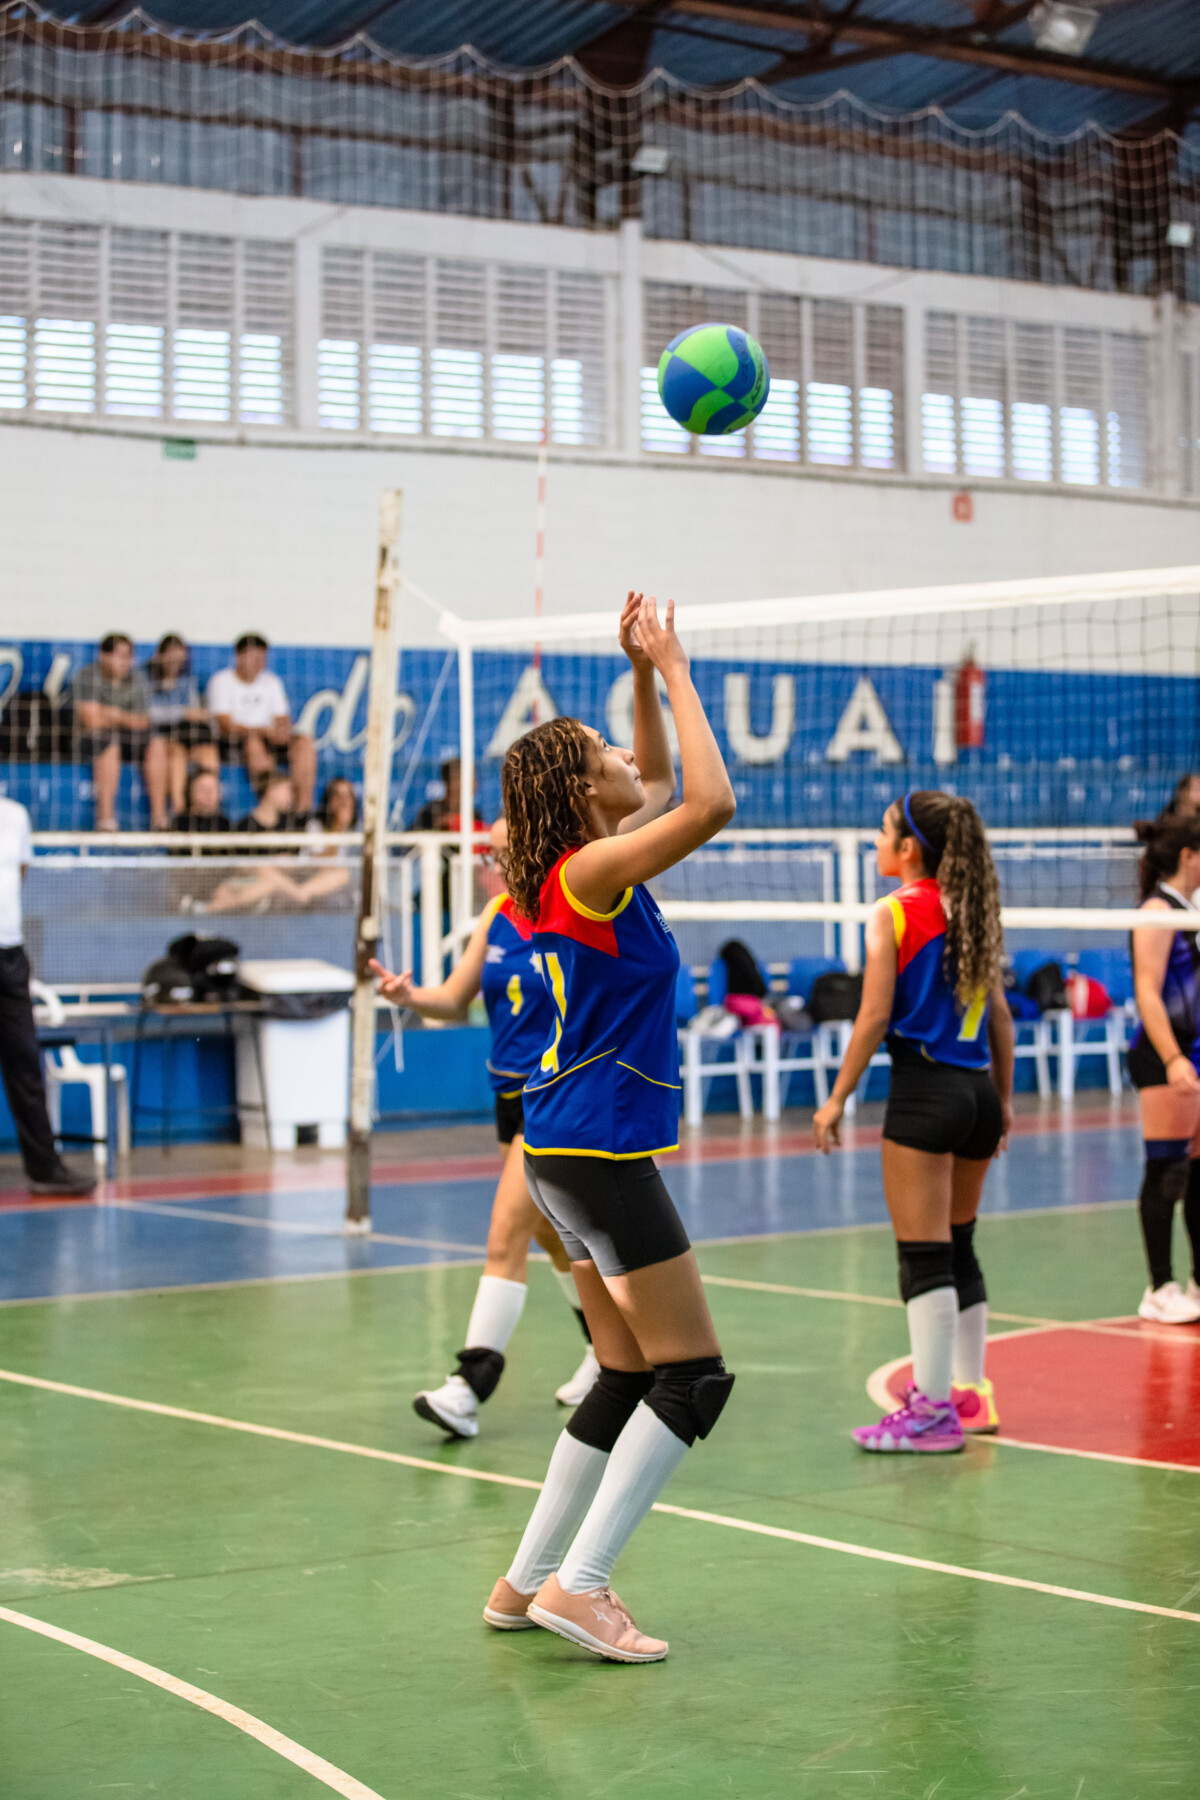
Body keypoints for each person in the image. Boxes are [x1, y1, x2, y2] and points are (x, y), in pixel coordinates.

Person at [478, 591, 734, 1665]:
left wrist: (634, 676)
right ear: (585, 790)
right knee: (693, 1376)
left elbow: (658, 783)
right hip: (601, 1151)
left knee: (624, 1372)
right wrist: (676, 666)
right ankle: (581, 1587)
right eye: (606, 753)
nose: (629, 758)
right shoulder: (591, 872)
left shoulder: (567, 871)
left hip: (557, 1151)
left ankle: (524, 1579)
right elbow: (709, 800)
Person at [371, 819, 601, 1439]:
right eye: (489, 856)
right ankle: (607, 1352)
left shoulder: (574, 907)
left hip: (552, 1097)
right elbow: (454, 999)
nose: (494, 867)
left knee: (505, 1233)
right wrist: (408, 997)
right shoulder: (498, 914)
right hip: (507, 1097)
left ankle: (469, 1386)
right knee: (551, 1234)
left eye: (504, 853)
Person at [814, 791, 1014, 1454]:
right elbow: (1001, 1018)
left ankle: (930, 1415)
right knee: (959, 1245)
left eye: (882, 832)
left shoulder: (894, 911)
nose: (876, 842)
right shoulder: (973, 909)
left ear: (908, 849)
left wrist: (836, 1098)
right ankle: (969, 1394)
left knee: (923, 1256)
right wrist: (1004, 1102)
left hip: (925, 1095)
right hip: (978, 1092)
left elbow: (874, 1015)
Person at [0, 796, 95, 1196]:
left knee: (25, 1062)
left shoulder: (15, 815)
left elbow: (17, 875)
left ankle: (45, 1169)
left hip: (9, 954)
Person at [1126, 815, 1200, 1324]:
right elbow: (1147, 991)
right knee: (1166, 1170)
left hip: (1195, 1055)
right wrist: (1173, 1058)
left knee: (1198, 1173)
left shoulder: (1191, 910)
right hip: (1164, 1057)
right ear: (1189, 856)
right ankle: (1159, 1287)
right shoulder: (1158, 910)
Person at [205, 634, 315, 814]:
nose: (259, 663)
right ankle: (272, 805)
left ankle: (303, 810)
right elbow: (226, 726)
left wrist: (280, 732)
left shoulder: (271, 681)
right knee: (253, 743)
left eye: (262, 658)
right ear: (239, 657)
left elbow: (282, 719)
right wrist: (261, 731)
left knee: (304, 741)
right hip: (233, 741)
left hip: (268, 738)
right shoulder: (221, 681)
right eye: (254, 658)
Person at [71, 634, 151, 832]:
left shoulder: (137, 678)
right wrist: (126, 718)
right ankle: (106, 819)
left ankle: (161, 820)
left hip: (128, 738)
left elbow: (143, 722)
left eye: (129, 656)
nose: (126, 662)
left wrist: (110, 713)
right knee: (109, 741)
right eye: (120, 656)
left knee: (157, 742)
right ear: (104, 656)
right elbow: (90, 721)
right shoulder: (87, 675)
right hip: (89, 740)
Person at [143, 635, 218, 829]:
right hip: (156, 738)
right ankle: (179, 814)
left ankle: (209, 815)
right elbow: (147, 713)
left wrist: (196, 715)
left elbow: (199, 713)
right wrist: (183, 712)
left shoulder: (188, 681)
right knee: (176, 756)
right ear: (159, 655)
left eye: (180, 660)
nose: (175, 664)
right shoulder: (143, 678)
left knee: (209, 754)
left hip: (186, 736)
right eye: (171, 658)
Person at [172, 768, 232, 844]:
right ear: (190, 792)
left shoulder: (226, 824)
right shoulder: (180, 823)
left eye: (212, 788)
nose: (208, 793)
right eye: (203, 788)